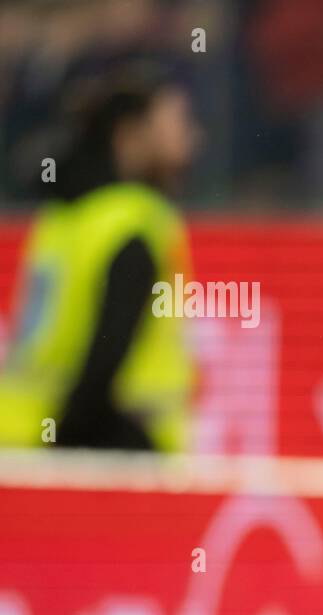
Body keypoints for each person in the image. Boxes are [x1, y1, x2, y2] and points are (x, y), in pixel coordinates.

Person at [0, 63, 200, 452]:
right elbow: (106, 357)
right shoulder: (132, 225)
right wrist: (69, 442)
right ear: (129, 136)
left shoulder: (61, 216)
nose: (192, 140)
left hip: (19, 434)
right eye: (177, 123)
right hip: (96, 448)